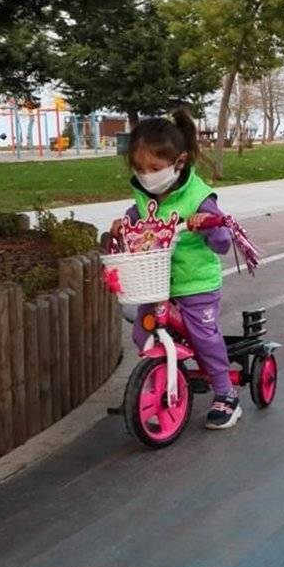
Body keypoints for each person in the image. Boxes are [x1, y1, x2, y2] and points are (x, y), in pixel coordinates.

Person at [110, 109, 243, 429]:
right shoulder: (145, 194)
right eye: (139, 168)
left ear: (178, 163)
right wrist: (125, 222)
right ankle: (163, 377)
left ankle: (226, 394)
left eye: (154, 168)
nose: (146, 175)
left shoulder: (198, 197)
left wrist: (206, 225)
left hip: (195, 282)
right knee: (144, 329)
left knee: (203, 336)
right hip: (157, 281)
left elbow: (223, 242)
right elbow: (138, 214)